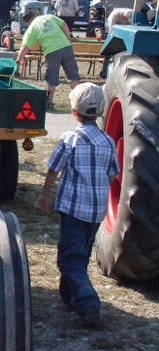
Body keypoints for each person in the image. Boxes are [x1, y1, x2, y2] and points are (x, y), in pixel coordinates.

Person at [34, 83, 118, 328]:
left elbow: (53, 169)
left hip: (73, 210)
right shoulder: (108, 142)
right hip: (96, 212)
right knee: (80, 254)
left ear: (73, 112)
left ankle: (88, 304)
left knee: (68, 260)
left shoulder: (70, 139)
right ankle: (69, 296)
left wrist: (44, 197)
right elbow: (113, 173)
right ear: (101, 111)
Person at [15, 8, 80, 108]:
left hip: (51, 52)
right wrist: (68, 38)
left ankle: (49, 103)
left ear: (27, 22)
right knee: (73, 77)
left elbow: (25, 47)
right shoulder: (49, 17)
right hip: (66, 47)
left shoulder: (32, 28)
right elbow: (64, 24)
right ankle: (79, 102)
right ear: (35, 15)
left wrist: (18, 61)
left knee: (51, 80)